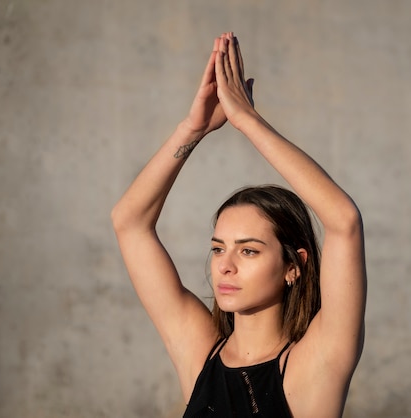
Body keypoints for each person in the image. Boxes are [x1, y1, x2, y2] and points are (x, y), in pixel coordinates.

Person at [111, 32, 367, 418]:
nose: (225, 265)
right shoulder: (200, 352)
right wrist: (193, 130)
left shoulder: (314, 365)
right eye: (218, 248)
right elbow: (129, 222)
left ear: (293, 266)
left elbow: (344, 220)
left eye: (248, 250)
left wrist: (247, 120)